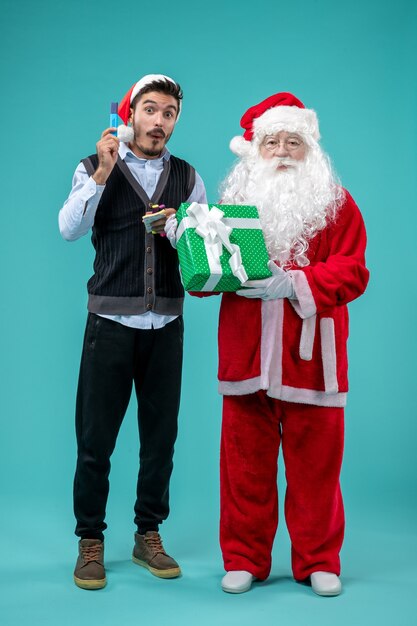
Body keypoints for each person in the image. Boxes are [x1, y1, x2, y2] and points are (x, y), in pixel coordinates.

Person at [167, 92, 369, 596]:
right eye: (272, 141)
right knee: (244, 468)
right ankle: (244, 558)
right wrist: (189, 241)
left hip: (312, 361)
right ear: (255, 150)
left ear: (311, 150)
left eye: (293, 142)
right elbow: (202, 281)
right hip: (246, 357)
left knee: (317, 470)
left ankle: (319, 560)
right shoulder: (228, 213)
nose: (281, 151)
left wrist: (295, 284)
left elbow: (353, 271)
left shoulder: (338, 207)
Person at [59, 74, 207, 590]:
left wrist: (181, 230)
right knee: (95, 439)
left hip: (167, 325)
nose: (159, 121)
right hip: (110, 325)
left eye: (169, 113)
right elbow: (69, 228)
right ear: (131, 115)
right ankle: (90, 541)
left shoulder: (188, 177)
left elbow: (201, 256)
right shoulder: (93, 167)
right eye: (150, 110)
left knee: (160, 439)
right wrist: (101, 174)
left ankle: (148, 534)